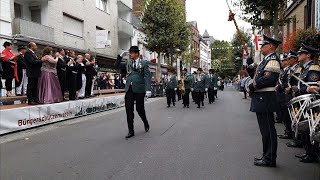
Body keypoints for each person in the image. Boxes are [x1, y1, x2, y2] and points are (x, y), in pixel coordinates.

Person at [248, 34, 282, 167]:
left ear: (271, 46)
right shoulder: (265, 61)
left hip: (266, 99)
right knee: (265, 131)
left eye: (264, 45)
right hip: (262, 99)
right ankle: (266, 156)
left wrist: (253, 85)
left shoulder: (272, 60)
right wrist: (250, 68)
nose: (261, 47)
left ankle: (270, 158)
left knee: (268, 130)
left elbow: (269, 79)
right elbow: (257, 76)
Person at [291, 44, 320, 163]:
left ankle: (313, 154)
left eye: (300, 53)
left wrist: (300, 90)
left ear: (308, 55)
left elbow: (312, 88)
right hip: (303, 101)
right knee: (305, 128)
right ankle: (308, 152)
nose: (298, 55)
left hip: (310, 102)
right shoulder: (304, 68)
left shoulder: (313, 68)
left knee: (311, 127)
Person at [115, 46, 151, 139]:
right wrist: (120, 56)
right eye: (129, 53)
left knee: (140, 109)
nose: (130, 54)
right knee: (128, 109)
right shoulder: (128, 62)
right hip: (129, 88)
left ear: (136, 54)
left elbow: (147, 76)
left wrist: (148, 89)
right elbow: (117, 65)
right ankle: (131, 131)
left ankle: (145, 122)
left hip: (139, 89)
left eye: (131, 53)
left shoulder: (144, 63)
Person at [277, 51, 299, 140]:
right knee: (287, 115)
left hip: (293, 95)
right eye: (287, 59)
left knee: (292, 116)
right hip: (287, 94)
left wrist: (286, 87)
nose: (288, 60)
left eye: (289, 59)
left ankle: (293, 135)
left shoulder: (297, 68)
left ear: (294, 59)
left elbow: (294, 82)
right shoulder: (290, 69)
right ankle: (288, 132)